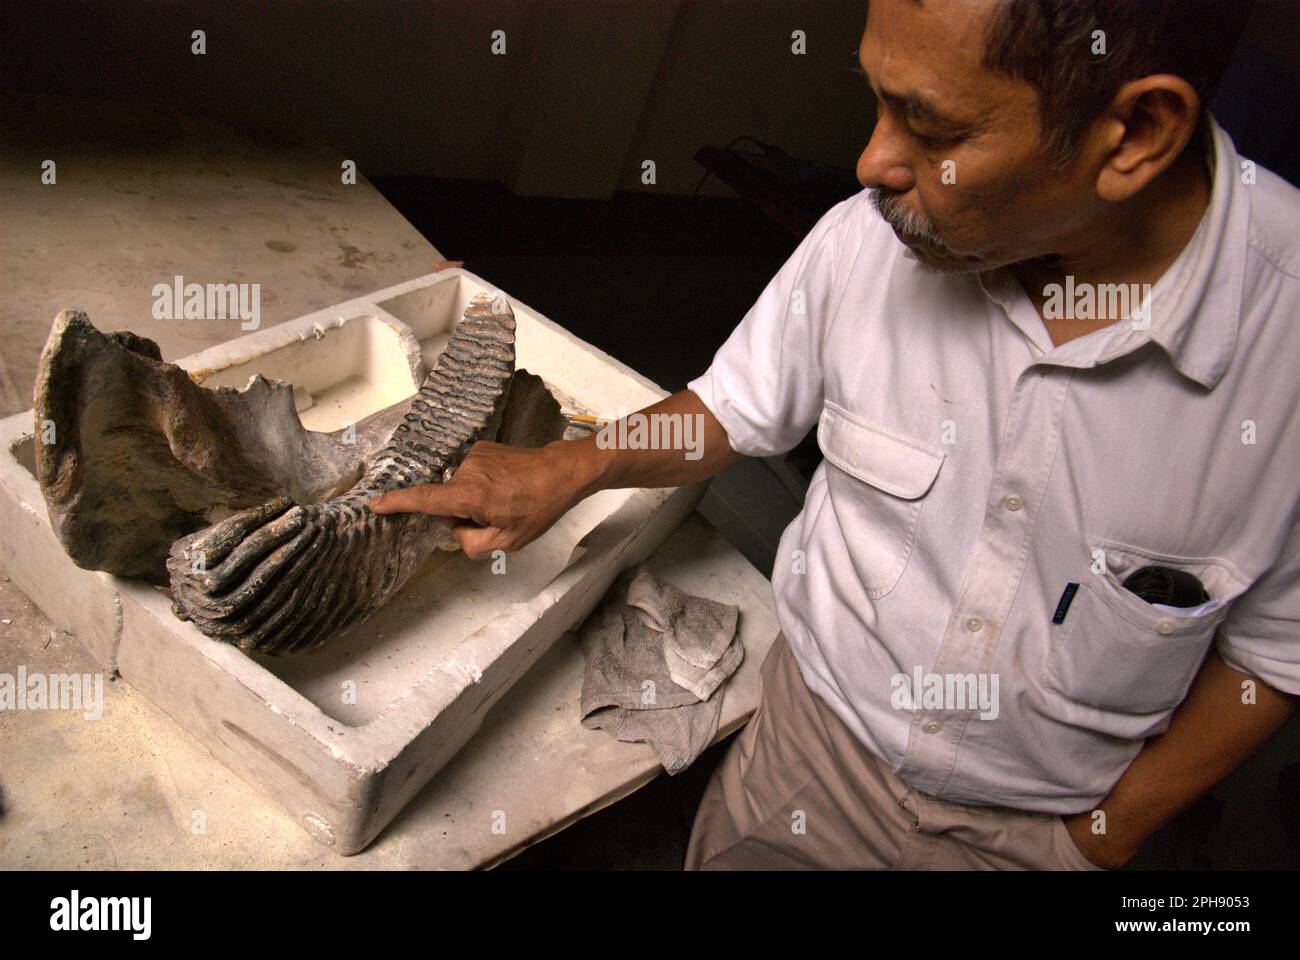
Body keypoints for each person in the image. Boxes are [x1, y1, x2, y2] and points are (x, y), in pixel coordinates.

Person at [373, 0, 1299, 870]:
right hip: (807, 755)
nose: (870, 163)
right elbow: (736, 407)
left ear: (1135, 135)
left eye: (929, 129)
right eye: (876, 102)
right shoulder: (869, 239)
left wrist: (1094, 843)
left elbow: (1273, 659)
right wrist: (566, 469)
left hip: (1042, 836)